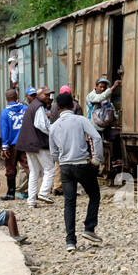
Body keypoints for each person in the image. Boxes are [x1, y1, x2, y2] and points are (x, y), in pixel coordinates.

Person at [49, 91, 104, 252]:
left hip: (65, 167)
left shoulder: (53, 127)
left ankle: (70, 242)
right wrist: (97, 160)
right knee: (94, 194)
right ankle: (89, 227)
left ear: (58, 108)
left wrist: (61, 162)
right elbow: (97, 138)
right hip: (82, 164)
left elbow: (53, 153)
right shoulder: (81, 120)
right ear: (73, 106)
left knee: (69, 202)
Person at [18, 87, 55, 208]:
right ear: (39, 95)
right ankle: (43, 193)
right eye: (46, 95)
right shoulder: (38, 106)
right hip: (39, 143)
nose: (48, 97)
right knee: (50, 169)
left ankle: (31, 200)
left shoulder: (32, 105)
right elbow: (40, 124)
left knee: (34, 172)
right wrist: (52, 133)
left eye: (49, 95)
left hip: (29, 144)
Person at [0, 88, 27, 200]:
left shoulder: (5, 112)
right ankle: (30, 191)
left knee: (10, 168)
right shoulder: (25, 109)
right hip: (24, 142)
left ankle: (11, 193)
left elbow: (4, 130)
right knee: (28, 166)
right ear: (17, 97)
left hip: (12, 145)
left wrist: (4, 146)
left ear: (6, 98)